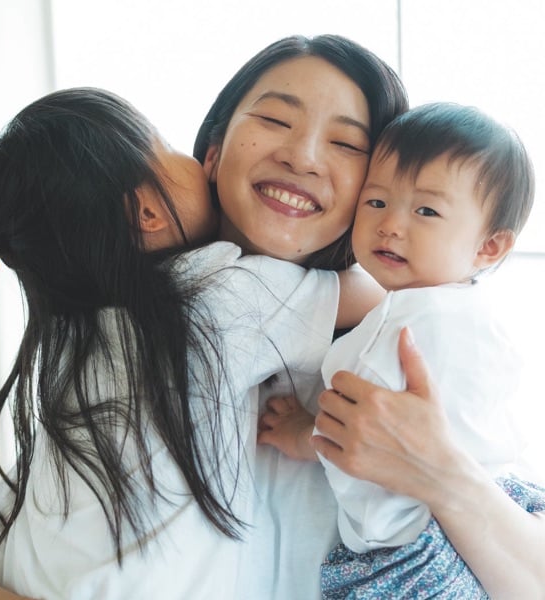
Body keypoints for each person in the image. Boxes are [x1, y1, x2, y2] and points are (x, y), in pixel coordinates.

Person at [0, 86, 382, 600]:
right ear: (146, 213)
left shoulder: (70, 345)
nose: (198, 161)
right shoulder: (218, 294)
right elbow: (376, 296)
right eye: (167, 145)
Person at [193, 36, 545, 598]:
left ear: (489, 247)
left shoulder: (419, 327)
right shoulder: (161, 309)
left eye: (345, 142)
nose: (303, 157)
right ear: (212, 151)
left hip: (423, 552)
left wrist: (446, 475)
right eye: (276, 120)